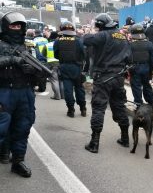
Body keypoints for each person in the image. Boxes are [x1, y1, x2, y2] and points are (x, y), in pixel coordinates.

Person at [0, 11, 45, 177]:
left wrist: (32, 70)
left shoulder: (29, 46)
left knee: (23, 127)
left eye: (19, 26)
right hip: (4, 91)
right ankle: (4, 151)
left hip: (25, 92)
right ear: (6, 27)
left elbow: (42, 65)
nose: (16, 28)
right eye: (13, 25)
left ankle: (18, 161)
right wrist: (12, 60)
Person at [83, 13, 132, 153]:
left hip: (103, 77)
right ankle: (125, 138)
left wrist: (91, 31)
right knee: (119, 106)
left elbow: (85, 40)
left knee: (99, 108)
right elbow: (130, 58)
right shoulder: (122, 36)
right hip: (118, 78)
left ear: (99, 25)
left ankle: (94, 142)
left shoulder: (102, 35)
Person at [53, 21, 87, 117]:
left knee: (68, 90)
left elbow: (56, 55)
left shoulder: (58, 40)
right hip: (77, 67)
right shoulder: (79, 40)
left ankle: (71, 110)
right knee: (79, 89)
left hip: (64, 67)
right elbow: (84, 54)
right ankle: (83, 108)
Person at [129, 24, 153, 110]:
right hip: (146, 67)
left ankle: (138, 104)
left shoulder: (130, 45)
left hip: (134, 68)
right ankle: (151, 103)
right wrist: (151, 69)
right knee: (147, 85)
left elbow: (127, 58)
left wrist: (128, 68)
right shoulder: (149, 44)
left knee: (136, 86)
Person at [42, 31, 64, 100]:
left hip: (51, 64)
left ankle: (57, 96)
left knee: (54, 80)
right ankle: (63, 96)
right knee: (61, 80)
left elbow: (43, 54)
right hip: (61, 63)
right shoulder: (61, 44)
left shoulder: (47, 45)